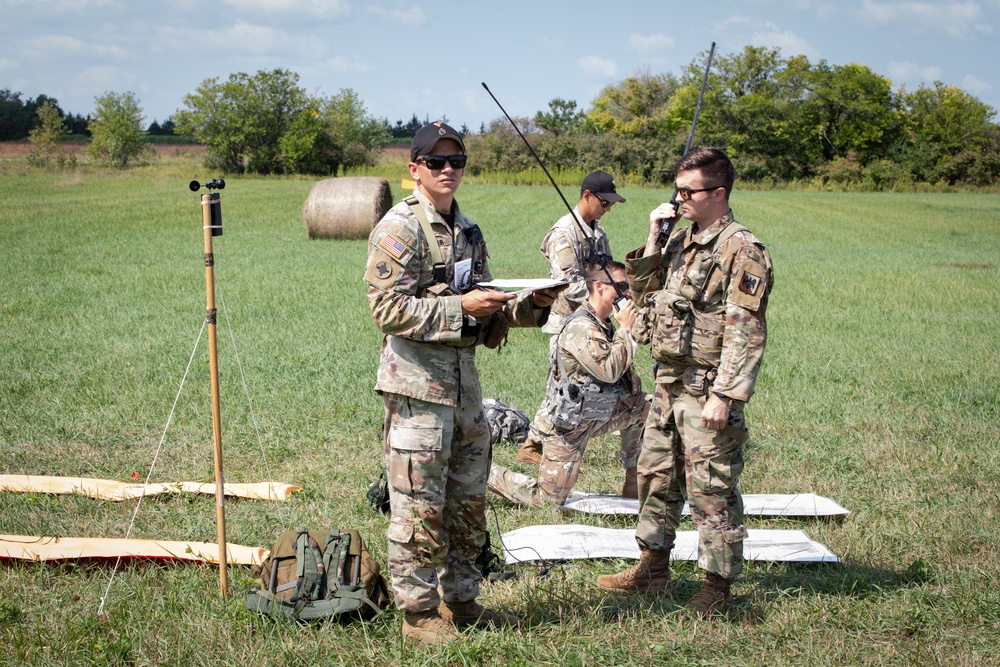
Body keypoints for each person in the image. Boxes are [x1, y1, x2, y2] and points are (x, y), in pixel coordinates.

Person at [364, 121, 562, 643]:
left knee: (467, 501)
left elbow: (484, 308)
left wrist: (527, 305)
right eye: (436, 162)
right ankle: (418, 613)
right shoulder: (399, 229)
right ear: (414, 170)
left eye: (457, 161)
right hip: (417, 391)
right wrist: (460, 306)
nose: (448, 170)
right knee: (418, 504)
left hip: (465, 390)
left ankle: (462, 600)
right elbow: (385, 308)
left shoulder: (469, 230)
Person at [596, 147, 773, 618]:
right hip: (668, 382)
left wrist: (725, 395)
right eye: (676, 191)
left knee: (710, 487)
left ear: (718, 193)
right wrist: (654, 237)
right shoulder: (679, 239)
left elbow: (745, 329)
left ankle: (717, 587)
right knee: (656, 476)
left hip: (706, 387)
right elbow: (646, 295)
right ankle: (652, 567)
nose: (679, 199)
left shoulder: (742, 249)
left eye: (687, 191)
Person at [517, 171, 640, 498]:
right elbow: (566, 283)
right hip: (568, 321)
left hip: (596, 319)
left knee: (613, 383)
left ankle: (538, 441)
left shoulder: (597, 233)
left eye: (611, 204)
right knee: (561, 387)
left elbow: (610, 271)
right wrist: (596, 291)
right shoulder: (563, 233)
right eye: (604, 202)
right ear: (586, 195)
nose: (607, 209)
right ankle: (536, 443)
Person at [488, 260, 649, 507]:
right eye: (622, 286)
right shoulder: (581, 327)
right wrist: (625, 330)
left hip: (599, 413)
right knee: (547, 501)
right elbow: (609, 370)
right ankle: (481, 470)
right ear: (600, 287)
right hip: (569, 427)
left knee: (646, 407)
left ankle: (633, 481)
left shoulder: (604, 323)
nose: (627, 293)